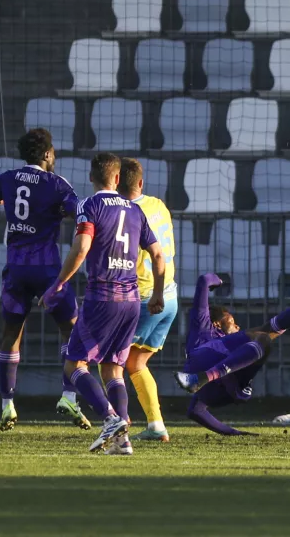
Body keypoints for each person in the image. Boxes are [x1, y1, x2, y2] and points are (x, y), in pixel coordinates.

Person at [42, 152, 166, 455]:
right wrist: (158, 294)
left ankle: (110, 418)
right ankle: (122, 441)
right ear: (118, 178)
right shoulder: (136, 210)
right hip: (132, 300)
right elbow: (158, 255)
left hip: (103, 297)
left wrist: (59, 283)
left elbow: (82, 247)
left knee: (74, 364)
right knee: (113, 368)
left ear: (91, 177)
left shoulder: (89, 205)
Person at [0, 129, 89, 432]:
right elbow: (79, 214)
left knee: (12, 332)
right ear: (48, 154)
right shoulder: (57, 184)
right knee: (71, 329)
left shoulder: (7, 179)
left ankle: (7, 404)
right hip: (48, 270)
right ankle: (68, 396)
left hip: (16, 269)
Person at [177, 273, 290, 435]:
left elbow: (195, 411)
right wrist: (219, 281)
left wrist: (233, 433)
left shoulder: (231, 348)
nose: (237, 325)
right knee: (264, 336)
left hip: (216, 387)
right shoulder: (204, 325)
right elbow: (204, 280)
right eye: (231, 321)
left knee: (265, 337)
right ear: (217, 324)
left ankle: (203, 378)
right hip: (208, 367)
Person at [116, 158, 177, 443]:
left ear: (116, 181)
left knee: (110, 360)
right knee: (136, 362)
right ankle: (156, 425)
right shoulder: (159, 205)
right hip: (169, 295)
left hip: (144, 298)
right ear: (141, 182)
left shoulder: (124, 213)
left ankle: (117, 420)